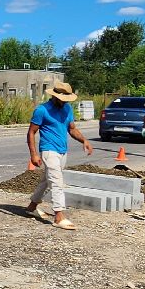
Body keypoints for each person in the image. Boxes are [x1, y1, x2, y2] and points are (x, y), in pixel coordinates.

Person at [25, 80, 94, 230]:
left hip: (62, 151)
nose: (64, 102)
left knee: (46, 181)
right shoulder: (42, 110)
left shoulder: (67, 108)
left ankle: (32, 206)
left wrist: (84, 140)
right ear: (55, 96)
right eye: (62, 99)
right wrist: (34, 154)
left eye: (66, 100)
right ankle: (59, 216)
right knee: (56, 182)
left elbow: (72, 128)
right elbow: (31, 132)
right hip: (49, 150)